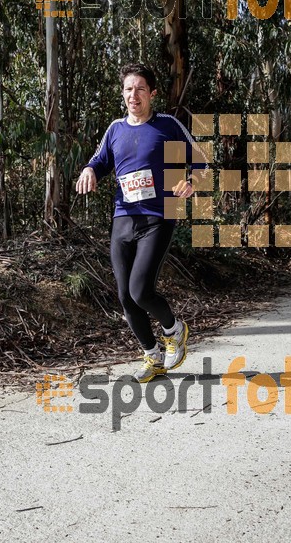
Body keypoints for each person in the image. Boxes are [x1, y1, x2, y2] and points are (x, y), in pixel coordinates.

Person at [76, 63, 207, 383]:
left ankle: (174, 330)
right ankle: (153, 358)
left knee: (140, 290)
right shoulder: (115, 130)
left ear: (152, 94)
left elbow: (201, 160)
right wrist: (89, 170)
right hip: (123, 218)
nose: (133, 95)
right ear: (123, 94)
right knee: (124, 296)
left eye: (140, 89)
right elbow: (99, 161)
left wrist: (191, 180)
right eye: (128, 89)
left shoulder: (168, 125)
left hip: (159, 216)